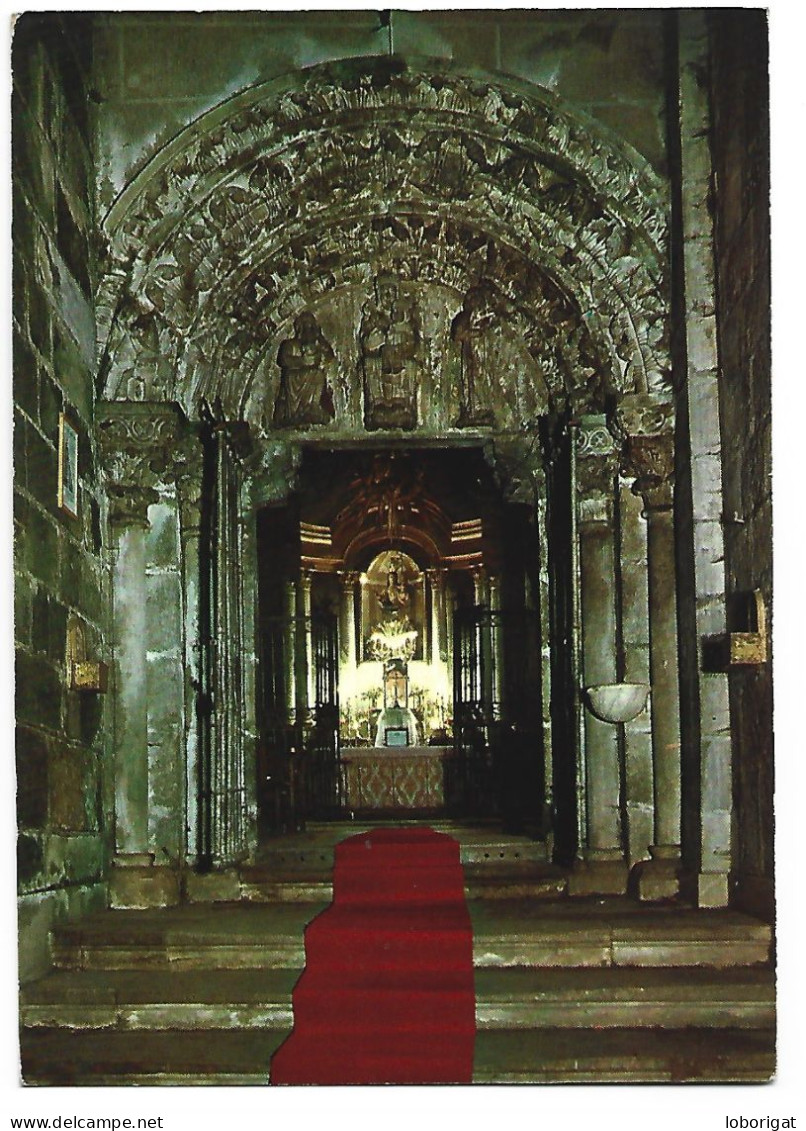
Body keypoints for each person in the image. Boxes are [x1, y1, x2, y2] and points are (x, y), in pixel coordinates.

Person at [273, 310, 335, 427]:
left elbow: (329, 357)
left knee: (317, 374)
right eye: (306, 326)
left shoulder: (318, 344)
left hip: (313, 376)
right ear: (299, 328)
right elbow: (283, 360)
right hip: (294, 377)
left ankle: (312, 407)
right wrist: (303, 362)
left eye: (311, 327)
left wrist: (320, 339)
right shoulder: (290, 344)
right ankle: (296, 412)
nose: (309, 330)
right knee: (295, 376)